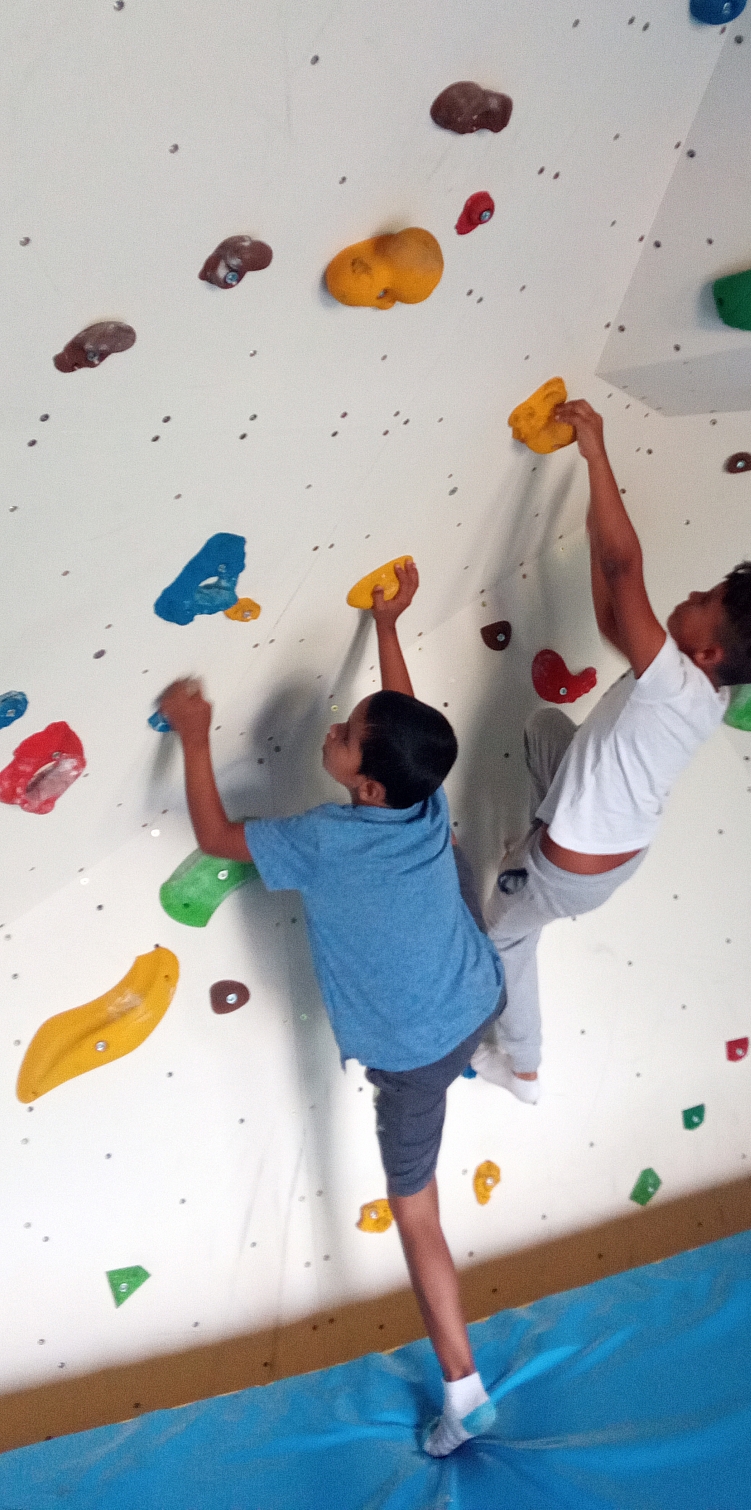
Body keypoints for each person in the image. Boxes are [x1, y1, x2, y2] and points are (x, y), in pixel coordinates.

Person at [159, 561, 503, 1459]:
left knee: (416, 1211)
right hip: (477, 994)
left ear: (367, 788)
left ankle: (464, 1391)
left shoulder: (320, 839)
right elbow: (404, 719)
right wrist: (388, 625)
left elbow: (217, 837)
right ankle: (490, 1050)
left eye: (347, 737)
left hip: (414, 1053)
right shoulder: (421, 799)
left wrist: (194, 734)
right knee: (451, 859)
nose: (336, 730)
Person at [473, 398, 751, 1105]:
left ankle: (523, 1067)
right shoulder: (700, 689)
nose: (689, 594)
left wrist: (595, 454)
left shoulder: (674, 685)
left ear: (708, 650)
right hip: (614, 847)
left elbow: (625, 567)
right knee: (544, 728)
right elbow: (612, 609)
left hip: (567, 870)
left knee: (504, 937)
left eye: (703, 599)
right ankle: (533, 837)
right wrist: (595, 533)